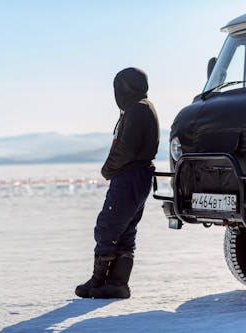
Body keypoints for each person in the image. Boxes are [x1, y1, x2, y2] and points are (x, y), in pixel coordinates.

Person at [75, 67, 159, 299]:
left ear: (125, 88)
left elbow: (126, 148)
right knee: (124, 229)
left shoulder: (137, 110)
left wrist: (108, 169)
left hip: (130, 175)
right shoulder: (141, 107)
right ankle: (117, 283)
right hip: (137, 175)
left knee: (108, 226)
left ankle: (100, 281)